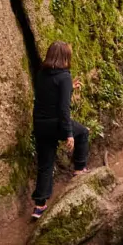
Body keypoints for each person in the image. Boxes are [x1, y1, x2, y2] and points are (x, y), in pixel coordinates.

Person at [31, 40, 89, 219]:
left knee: (45, 164)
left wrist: (68, 88)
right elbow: (64, 108)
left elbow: (48, 95)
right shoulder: (64, 76)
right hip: (57, 123)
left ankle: (39, 205)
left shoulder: (42, 73)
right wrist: (68, 134)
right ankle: (79, 169)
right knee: (84, 132)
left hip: (40, 124)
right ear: (65, 57)